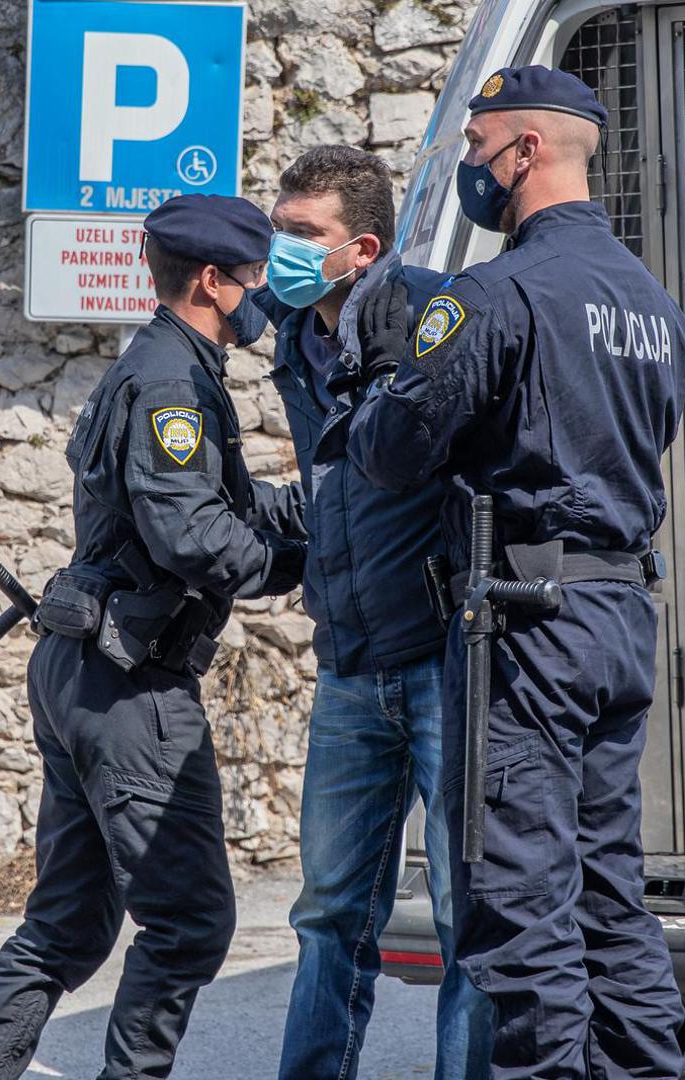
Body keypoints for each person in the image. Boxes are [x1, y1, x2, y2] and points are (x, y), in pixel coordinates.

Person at [346, 67, 685, 1080]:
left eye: (473, 146)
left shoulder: (495, 294)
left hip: (527, 625)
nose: (467, 167)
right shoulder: (651, 302)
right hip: (617, 612)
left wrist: (372, 381)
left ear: (525, 152)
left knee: (520, 900)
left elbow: (395, 452)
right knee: (605, 890)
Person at [0, 194, 308, 1080]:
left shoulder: (161, 364)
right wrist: (303, 564)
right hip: (129, 688)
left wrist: (317, 508)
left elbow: (214, 499)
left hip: (80, 672)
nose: (267, 292)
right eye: (257, 275)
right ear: (213, 282)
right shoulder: (171, 384)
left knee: (67, 923)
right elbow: (191, 535)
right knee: (189, 924)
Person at [253, 145, 492, 1080]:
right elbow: (333, 493)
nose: (281, 250)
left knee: (467, 911)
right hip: (348, 665)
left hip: (441, 659)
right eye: (278, 230)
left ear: (362, 248)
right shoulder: (296, 337)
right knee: (327, 911)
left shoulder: (435, 314)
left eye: (302, 235)